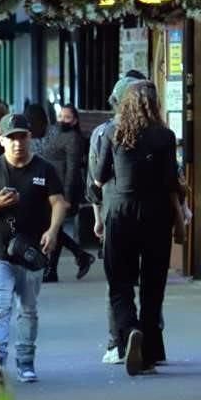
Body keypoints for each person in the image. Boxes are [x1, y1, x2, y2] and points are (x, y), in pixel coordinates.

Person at [93, 81, 185, 376]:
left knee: (119, 282)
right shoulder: (166, 136)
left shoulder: (112, 132)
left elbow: (99, 176)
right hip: (157, 214)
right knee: (152, 285)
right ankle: (150, 353)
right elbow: (172, 180)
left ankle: (130, 331)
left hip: (121, 211)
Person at [0, 113, 66, 383]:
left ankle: (26, 362)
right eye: (11, 138)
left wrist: (53, 230)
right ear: (2, 140)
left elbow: (59, 202)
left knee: (28, 308)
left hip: (32, 253)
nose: (17, 143)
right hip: (0, 252)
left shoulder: (44, 169)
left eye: (22, 136)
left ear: (30, 138)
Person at [87, 72, 146, 364]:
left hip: (115, 213)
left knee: (118, 281)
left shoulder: (103, 132)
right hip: (148, 215)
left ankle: (118, 341)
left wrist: (97, 217)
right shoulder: (156, 130)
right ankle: (149, 339)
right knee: (148, 279)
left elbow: (94, 181)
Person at [41, 104, 95, 282]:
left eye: (67, 117)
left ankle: (52, 269)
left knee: (53, 227)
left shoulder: (73, 138)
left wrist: (67, 197)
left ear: (75, 121)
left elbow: (72, 170)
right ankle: (79, 256)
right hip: (48, 187)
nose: (62, 120)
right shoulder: (53, 131)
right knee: (52, 228)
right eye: (60, 116)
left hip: (63, 189)